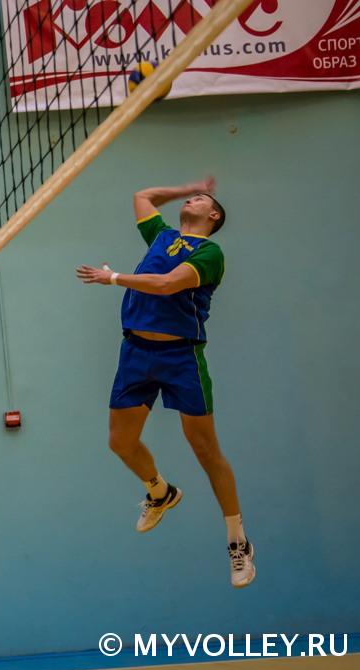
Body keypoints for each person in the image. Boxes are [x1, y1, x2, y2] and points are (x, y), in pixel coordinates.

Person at [76, 177, 255, 588]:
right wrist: (188, 186)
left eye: (201, 199)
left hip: (180, 356)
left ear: (213, 215)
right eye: (191, 197)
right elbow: (142, 196)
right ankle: (160, 492)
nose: (192, 200)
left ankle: (238, 541)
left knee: (205, 450)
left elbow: (167, 284)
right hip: (136, 352)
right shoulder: (162, 236)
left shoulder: (210, 252)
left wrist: (113, 278)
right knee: (120, 442)